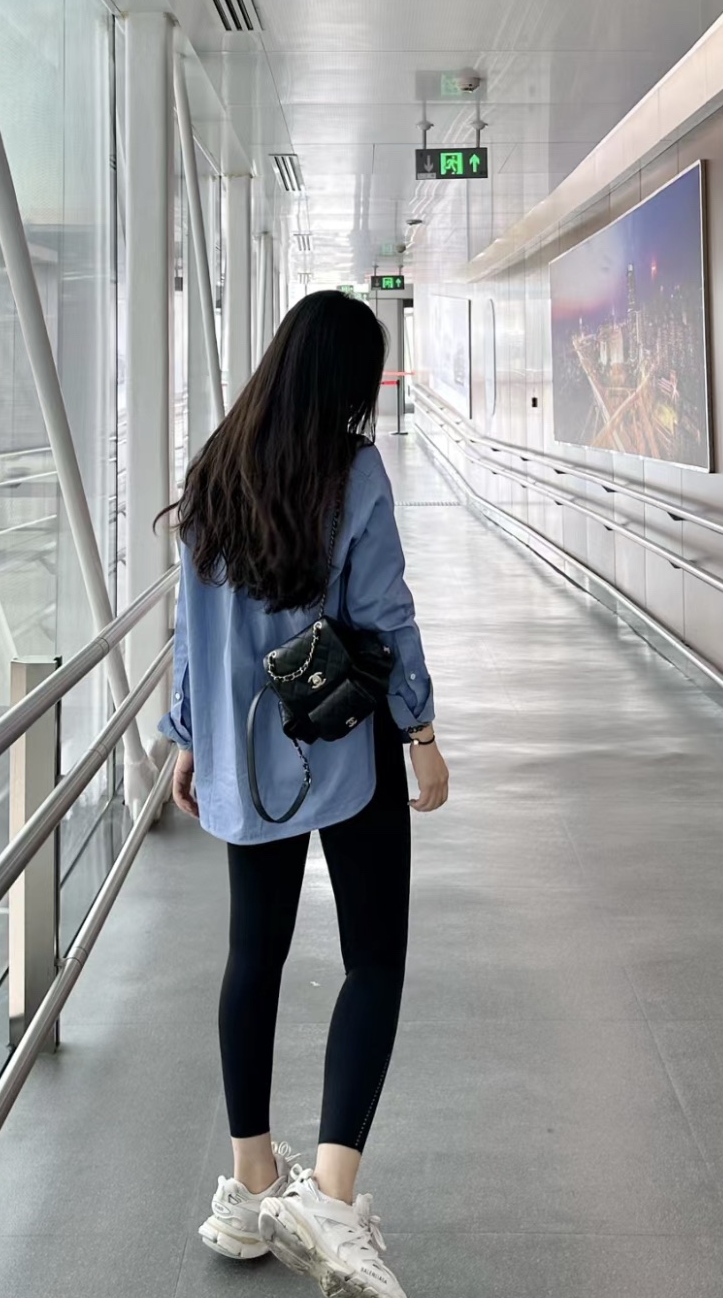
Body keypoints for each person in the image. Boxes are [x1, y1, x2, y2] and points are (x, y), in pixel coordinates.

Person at [159, 290, 449, 1298]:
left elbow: (189, 624)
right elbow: (383, 613)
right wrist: (420, 732)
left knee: (254, 957)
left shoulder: (213, 470)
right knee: (373, 960)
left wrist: (187, 738)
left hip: (245, 759)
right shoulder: (352, 469)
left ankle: (251, 1187)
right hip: (346, 749)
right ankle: (328, 1196)